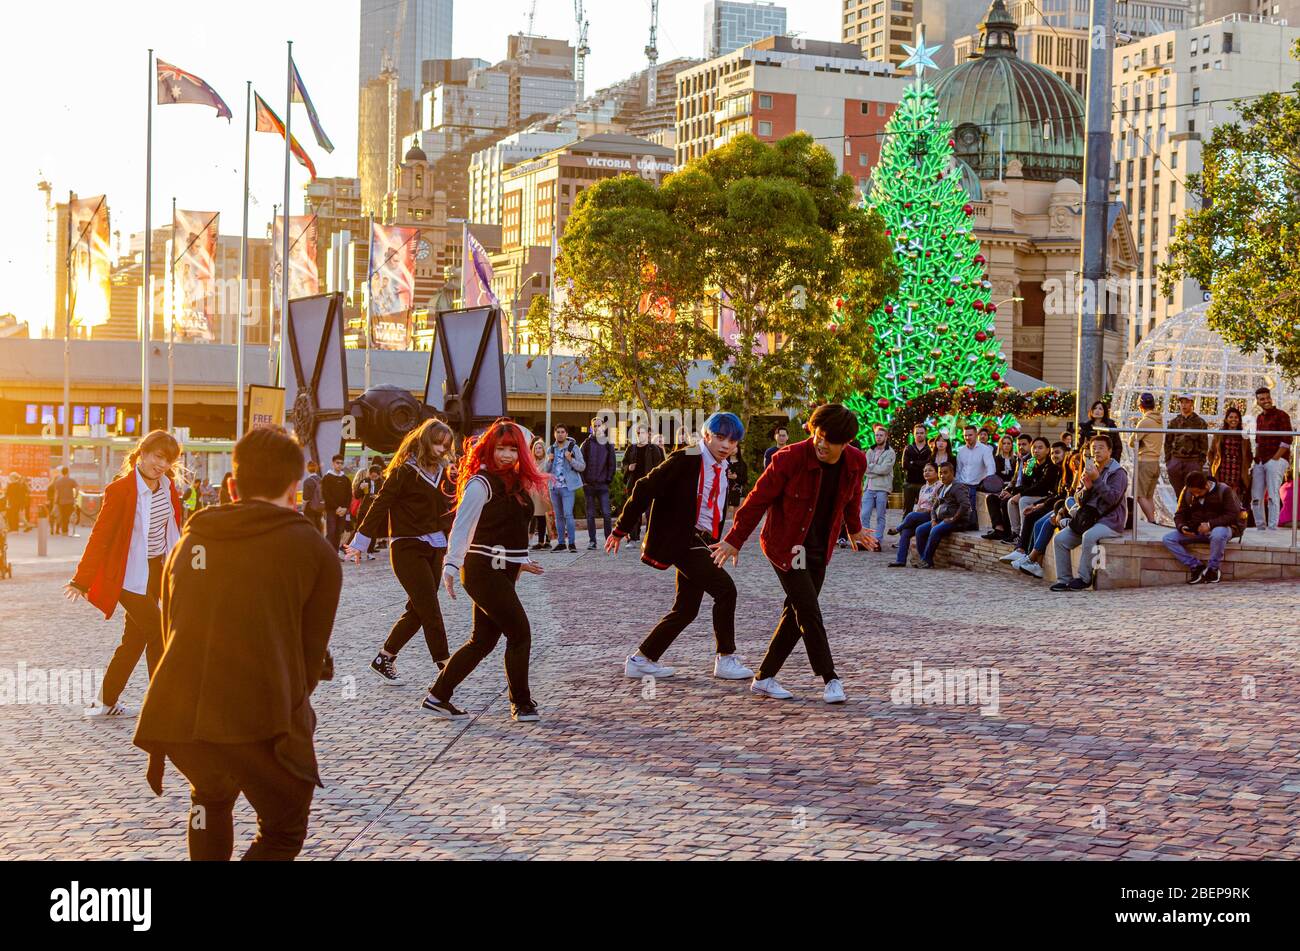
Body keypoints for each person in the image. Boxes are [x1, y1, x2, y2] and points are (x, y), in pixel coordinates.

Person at [132, 425, 342, 861]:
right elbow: (307, 661)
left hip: (181, 713)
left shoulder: (192, 541)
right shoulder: (313, 550)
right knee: (283, 829)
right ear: (294, 487)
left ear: (232, 485)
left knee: (209, 798)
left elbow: (172, 628)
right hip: (258, 713)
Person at [714, 403, 870, 704]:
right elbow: (756, 500)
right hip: (787, 546)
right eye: (818, 434)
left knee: (796, 612)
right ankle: (830, 678)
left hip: (820, 547)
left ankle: (764, 678)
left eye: (829, 440)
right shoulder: (789, 458)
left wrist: (854, 528)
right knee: (808, 610)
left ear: (846, 442)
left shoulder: (856, 461)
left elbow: (853, 496)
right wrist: (734, 539)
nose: (820, 443)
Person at [607, 413, 755, 684]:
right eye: (720, 438)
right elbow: (644, 486)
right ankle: (725, 658)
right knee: (725, 590)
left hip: (703, 542)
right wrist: (621, 528)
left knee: (686, 609)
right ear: (706, 435)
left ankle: (641, 660)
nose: (726, 445)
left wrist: (724, 541)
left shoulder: (723, 467)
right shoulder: (687, 457)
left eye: (732, 441)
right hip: (683, 540)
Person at [432, 420, 546, 723]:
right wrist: (451, 565)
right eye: (500, 448)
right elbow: (462, 526)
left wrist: (520, 560)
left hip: (502, 569)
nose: (507, 455)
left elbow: (509, 528)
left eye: (513, 449)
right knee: (519, 633)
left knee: (482, 640)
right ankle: (521, 703)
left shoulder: (515, 482)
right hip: (481, 569)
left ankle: (438, 696)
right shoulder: (480, 483)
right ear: (489, 449)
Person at [65, 431, 183, 719]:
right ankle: (162, 705)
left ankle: (105, 702)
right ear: (142, 453)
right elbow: (101, 536)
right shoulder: (120, 490)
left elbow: (174, 530)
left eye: (168, 460)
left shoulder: (168, 487)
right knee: (158, 631)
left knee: (135, 639)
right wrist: (81, 579)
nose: (162, 465)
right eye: (158, 457)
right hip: (129, 575)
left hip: (156, 571)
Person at [347, 420, 458, 687]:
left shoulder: (443, 473)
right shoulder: (404, 471)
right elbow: (380, 504)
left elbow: (449, 511)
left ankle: (384, 657)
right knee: (430, 608)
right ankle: (446, 668)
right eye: (437, 442)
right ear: (425, 440)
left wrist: (458, 545)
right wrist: (361, 540)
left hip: (436, 546)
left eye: (446, 445)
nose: (441, 449)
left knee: (419, 608)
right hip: (407, 547)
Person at [1050, 434, 1130, 592]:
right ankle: (1064, 580)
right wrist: (1087, 489)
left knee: (1089, 536)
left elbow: (1112, 499)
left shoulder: (1118, 473)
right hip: (1088, 518)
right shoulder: (1090, 469)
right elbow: (1078, 499)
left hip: (1109, 520)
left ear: (1110, 451)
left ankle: (1084, 578)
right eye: (1094, 448)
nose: (1097, 451)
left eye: (1101, 448)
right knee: (1060, 539)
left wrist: (1097, 480)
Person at [1161, 470, 1243, 586]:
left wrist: (1210, 525)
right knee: (1168, 539)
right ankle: (1196, 566)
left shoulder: (1224, 490)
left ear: (1206, 485)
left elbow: (1232, 515)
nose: (1196, 495)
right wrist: (1182, 526)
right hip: (1197, 531)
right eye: (1193, 493)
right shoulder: (1187, 492)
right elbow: (1180, 514)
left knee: (1218, 534)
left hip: (1221, 529)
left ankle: (1213, 569)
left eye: (1198, 492)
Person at [1009, 444, 1077, 579]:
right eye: (1053, 453)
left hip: (1060, 506)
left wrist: (1040, 505)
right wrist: (1027, 466)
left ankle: (1028, 555)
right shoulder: (1055, 469)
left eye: (1057, 452)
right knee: (1035, 519)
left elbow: (1045, 489)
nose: (1054, 456)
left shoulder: (1055, 469)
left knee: (1038, 519)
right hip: (1054, 503)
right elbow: (1026, 483)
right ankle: (1031, 557)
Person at [908, 461, 971, 568]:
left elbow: (965, 505)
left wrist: (953, 519)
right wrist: (933, 520)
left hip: (956, 521)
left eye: (945, 473)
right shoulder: (942, 488)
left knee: (935, 530)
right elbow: (934, 507)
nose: (942, 475)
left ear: (952, 473)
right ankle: (924, 560)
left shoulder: (958, 487)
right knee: (919, 530)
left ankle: (926, 560)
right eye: (940, 473)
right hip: (941, 520)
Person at [1250, 386, 1293, 531]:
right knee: (1256, 496)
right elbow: (1257, 440)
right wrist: (1256, 458)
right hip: (1261, 460)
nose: (1266, 401)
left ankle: (1272, 527)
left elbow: (1287, 440)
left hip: (1276, 459)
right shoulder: (1259, 418)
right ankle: (1260, 526)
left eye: (1267, 397)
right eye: (1262, 399)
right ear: (1257, 401)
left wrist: (1275, 458)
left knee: (1272, 494)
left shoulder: (1282, 415)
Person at [888, 461, 941, 567]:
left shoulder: (939, 486)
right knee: (906, 532)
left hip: (931, 516)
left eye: (930, 470)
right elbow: (919, 504)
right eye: (925, 471)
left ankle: (897, 529)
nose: (927, 473)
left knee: (911, 515)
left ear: (937, 473)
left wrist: (926, 511)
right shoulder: (923, 488)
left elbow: (937, 505)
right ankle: (901, 560)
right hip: (920, 516)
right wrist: (919, 511)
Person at [543, 424, 586, 553]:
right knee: (558, 516)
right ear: (554, 434)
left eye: (562, 432)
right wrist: (549, 461)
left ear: (566, 434)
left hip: (568, 487)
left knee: (568, 514)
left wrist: (570, 459)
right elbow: (546, 470)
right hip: (554, 487)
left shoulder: (574, 448)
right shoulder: (551, 449)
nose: (560, 434)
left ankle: (571, 543)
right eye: (558, 432)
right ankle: (561, 543)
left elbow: (582, 466)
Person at [620, 425, 665, 542]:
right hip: (634, 485)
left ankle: (649, 537)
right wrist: (628, 467)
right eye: (638, 433)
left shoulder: (654, 449)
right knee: (634, 511)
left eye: (643, 432)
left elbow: (660, 467)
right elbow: (624, 464)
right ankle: (633, 537)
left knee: (650, 513)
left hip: (649, 486)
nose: (640, 435)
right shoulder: (631, 448)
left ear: (648, 434)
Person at [1207, 407, 1253, 521]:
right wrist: (1213, 465)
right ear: (1226, 419)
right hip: (1222, 469)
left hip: (1237, 470)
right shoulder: (1220, 433)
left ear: (1239, 419)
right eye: (1231, 417)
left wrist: (1246, 466)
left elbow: (1249, 453)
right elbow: (1211, 451)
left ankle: (1234, 521)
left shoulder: (1244, 435)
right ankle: (1220, 519)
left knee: (1235, 496)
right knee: (1221, 494)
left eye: (1236, 417)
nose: (1233, 419)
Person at [581, 417, 616, 550]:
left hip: (602, 485)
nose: (597, 428)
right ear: (592, 428)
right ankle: (592, 541)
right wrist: (584, 481)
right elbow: (581, 463)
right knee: (590, 515)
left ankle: (608, 540)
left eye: (599, 425)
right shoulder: (586, 444)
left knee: (607, 514)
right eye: (594, 426)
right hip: (589, 485)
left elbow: (612, 464)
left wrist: (608, 479)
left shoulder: (608, 444)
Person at [1130, 392, 1164, 525]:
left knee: (1139, 495)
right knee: (1148, 496)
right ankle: (1152, 520)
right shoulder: (1159, 420)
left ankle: (1152, 521)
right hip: (1155, 463)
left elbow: (1132, 442)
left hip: (1144, 462)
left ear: (1140, 407)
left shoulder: (1145, 422)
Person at [1165, 395, 1208, 499]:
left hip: (1193, 461)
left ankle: (1191, 508)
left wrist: (1200, 462)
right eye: (1182, 402)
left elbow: (1204, 444)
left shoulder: (1200, 422)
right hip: (1176, 461)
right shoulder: (1174, 422)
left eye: (1187, 402)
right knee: (1179, 493)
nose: (1184, 405)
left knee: (1193, 492)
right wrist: (1169, 461)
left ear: (1192, 403)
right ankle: (1181, 507)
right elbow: (1168, 443)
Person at [860, 424, 895, 549]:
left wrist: (871, 468)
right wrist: (875, 469)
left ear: (886, 437)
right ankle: (865, 540)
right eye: (876, 435)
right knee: (864, 514)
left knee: (880, 515)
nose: (878, 437)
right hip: (869, 487)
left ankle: (877, 540)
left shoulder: (890, 452)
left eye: (881, 435)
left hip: (882, 488)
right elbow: (865, 468)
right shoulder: (870, 451)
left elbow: (885, 470)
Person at [954, 424, 995, 527]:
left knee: (970, 494)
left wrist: (986, 484)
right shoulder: (961, 451)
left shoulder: (985, 450)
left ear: (976, 435)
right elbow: (959, 470)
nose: (967, 438)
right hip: (962, 483)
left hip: (977, 484)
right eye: (965, 435)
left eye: (970, 435)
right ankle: (959, 522)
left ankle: (970, 523)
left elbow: (991, 468)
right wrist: (957, 484)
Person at [982, 434, 1019, 541]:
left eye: (1009, 443)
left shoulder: (1016, 459)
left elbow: (1016, 478)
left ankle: (1008, 530)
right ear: (1000, 445)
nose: (1006, 446)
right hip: (999, 487)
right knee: (990, 498)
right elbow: (993, 475)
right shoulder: (996, 459)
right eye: (1004, 443)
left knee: (1004, 502)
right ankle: (998, 528)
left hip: (1012, 488)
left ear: (1012, 445)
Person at [351, 464, 385, 558]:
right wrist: (360, 488)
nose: (373, 478)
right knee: (359, 531)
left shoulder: (382, 483)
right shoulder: (364, 481)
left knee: (373, 531)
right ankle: (356, 553)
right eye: (371, 476)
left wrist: (377, 496)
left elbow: (385, 496)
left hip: (375, 510)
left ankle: (370, 552)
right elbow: (357, 495)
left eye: (375, 476)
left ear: (379, 475)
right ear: (369, 474)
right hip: (364, 510)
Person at [321, 455, 352, 555]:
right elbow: (326, 494)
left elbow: (349, 495)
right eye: (337, 463)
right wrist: (337, 507)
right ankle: (328, 555)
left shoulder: (345, 479)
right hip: (331, 510)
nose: (339, 465)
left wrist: (345, 508)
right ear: (333, 464)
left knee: (339, 532)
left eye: (341, 463)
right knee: (331, 532)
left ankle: (335, 554)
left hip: (342, 511)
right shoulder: (327, 477)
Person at [900, 423, 933, 514]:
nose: (919, 435)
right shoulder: (908, 448)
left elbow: (929, 465)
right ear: (914, 434)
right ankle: (906, 524)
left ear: (925, 434)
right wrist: (922, 465)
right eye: (917, 433)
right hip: (909, 483)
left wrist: (913, 462)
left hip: (924, 484)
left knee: (924, 510)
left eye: (921, 433)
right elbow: (905, 465)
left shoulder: (929, 450)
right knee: (907, 510)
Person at [528, 438, 553, 550]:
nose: (538, 450)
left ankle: (548, 541)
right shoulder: (532, 463)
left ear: (544, 450)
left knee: (547, 517)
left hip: (546, 493)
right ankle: (541, 542)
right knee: (539, 517)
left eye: (540, 448)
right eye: (536, 448)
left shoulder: (547, 461)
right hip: (535, 493)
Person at [51, 466, 78, 536]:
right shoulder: (71, 480)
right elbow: (77, 488)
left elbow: (56, 493)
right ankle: (65, 530)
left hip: (61, 501)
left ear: (62, 472)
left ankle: (64, 530)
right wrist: (75, 496)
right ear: (68, 472)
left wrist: (55, 502)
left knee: (63, 516)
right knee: (67, 515)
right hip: (70, 501)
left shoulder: (58, 481)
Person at [300, 461, 324, 533]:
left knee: (311, 527)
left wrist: (303, 508)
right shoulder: (321, 480)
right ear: (316, 469)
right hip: (319, 507)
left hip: (309, 508)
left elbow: (306, 498)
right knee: (319, 526)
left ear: (307, 469)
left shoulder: (307, 481)